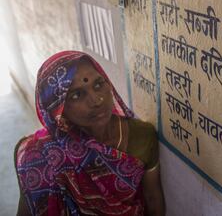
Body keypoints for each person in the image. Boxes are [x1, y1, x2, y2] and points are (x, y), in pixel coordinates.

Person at [14, 51, 165, 215]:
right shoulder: (38, 156)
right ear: (56, 109)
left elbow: (153, 199)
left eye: (99, 84)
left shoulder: (142, 135)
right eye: (77, 94)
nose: (96, 100)